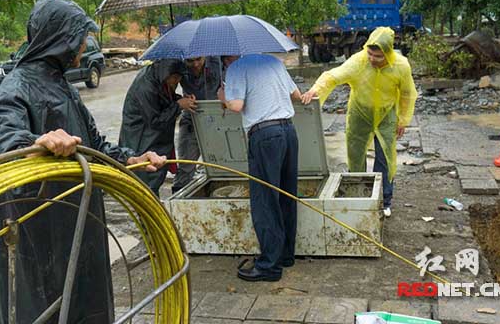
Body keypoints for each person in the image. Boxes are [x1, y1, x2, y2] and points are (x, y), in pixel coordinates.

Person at [0, 0, 166, 324]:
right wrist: (35, 141)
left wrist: (134, 159)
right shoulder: (17, 86)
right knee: (45, 306)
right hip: (39, 226)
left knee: (86, 301)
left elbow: (94, 145)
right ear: (60, 39)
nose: (84, 46)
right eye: (80, 38)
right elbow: (0, 132)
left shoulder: (65, 87)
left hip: (80, 219)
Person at [301, 27, 417, 217]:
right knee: (356, 155)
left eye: (378, 56)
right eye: (370, 53)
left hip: (386, 114)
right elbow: (332, 77)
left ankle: (384, 200)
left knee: (385, 157)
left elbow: (407, 94)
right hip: (359, 114)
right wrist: (315, 91)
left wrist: (403, 119)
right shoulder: (358, 62)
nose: (372, 58)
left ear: (388, 54)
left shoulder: (401, 66)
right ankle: (359, 195)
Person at [218, 53, 302, 282]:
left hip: (264, 136)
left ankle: (269, 267)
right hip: (288, 131)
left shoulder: (235, 68)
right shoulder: (273, 61)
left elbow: (236, 106)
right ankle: (285, 256)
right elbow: (296, 95)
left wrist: (223, 95)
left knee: (265, 200)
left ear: (227, 57)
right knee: (286, 196)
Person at [119, 59, 196, 195]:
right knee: (147, 181)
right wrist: (178, 105)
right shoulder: (145, 86)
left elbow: (164, 99)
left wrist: (180, 99)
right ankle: (148, 212)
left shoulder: (159, 77)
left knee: (155, 175)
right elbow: (155, 120)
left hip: (155, 138)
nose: (176, 82)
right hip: (142, 137)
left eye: (179, 78)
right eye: (175, 78)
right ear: (166, 73)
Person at [172, 56, 221, 193]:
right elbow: (168, 89)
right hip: (191, 116)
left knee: (221, 165)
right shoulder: (178, 65)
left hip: (218, 116)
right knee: (185, 165)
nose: (195, 64)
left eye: (199, 59)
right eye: (190, 61)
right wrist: (181, 100)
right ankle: (178, 205)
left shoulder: (218, 60)